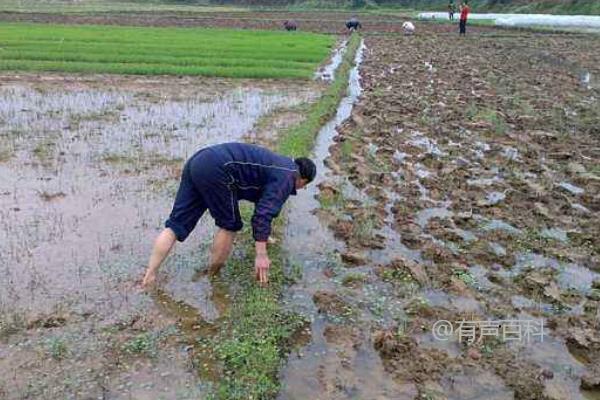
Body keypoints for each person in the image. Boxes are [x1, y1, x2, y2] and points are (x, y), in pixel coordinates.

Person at [141, 142, 316, 287]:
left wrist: (265, 237)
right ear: (302, 180)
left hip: (200, 159)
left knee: (175, 224)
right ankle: (213, 277)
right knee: (229, 224)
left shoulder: (280, 164)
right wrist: (261, 255)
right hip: (218, 169)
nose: (300, 189)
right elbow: (263, 214)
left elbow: (263, 202)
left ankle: (150, 275)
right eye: (304, 186)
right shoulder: (287, 177)